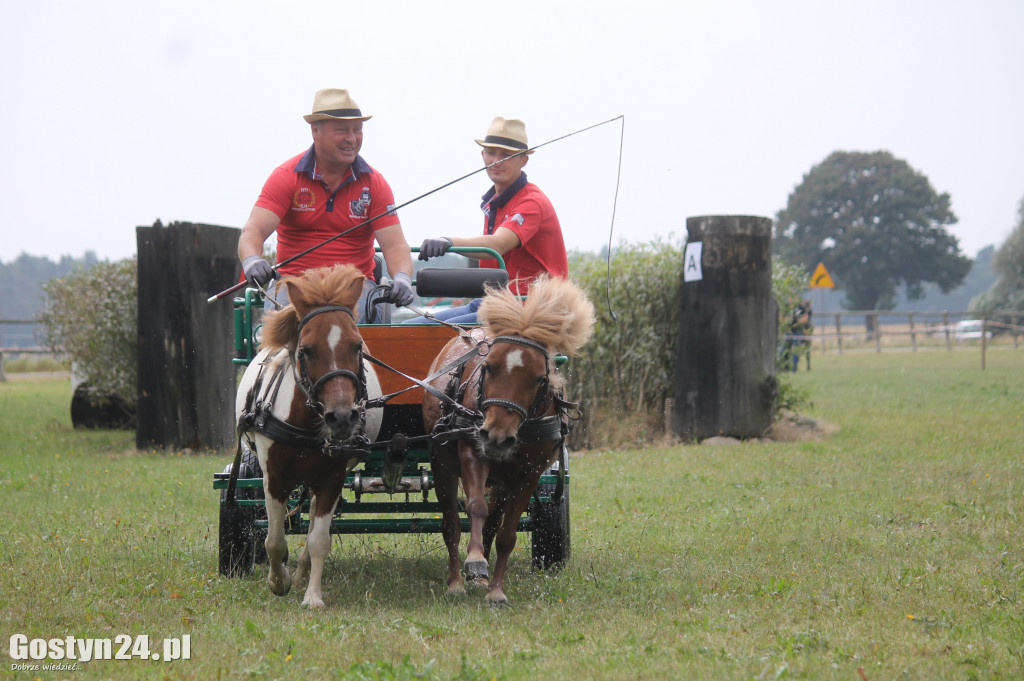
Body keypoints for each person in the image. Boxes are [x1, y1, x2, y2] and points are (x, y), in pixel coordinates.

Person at [238, 88, 415, 322]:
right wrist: (252, 260)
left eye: (358, 130)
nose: (352, 138)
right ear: (315, 131)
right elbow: (253, 231)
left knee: (359, 318)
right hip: (295, 284)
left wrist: (402, 277)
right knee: (275, 329)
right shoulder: (285, 177)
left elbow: (395, 246)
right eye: (341, 130)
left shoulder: (375, 184)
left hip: (354, 288)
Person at [410, 116, 568, 323]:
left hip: (526, 306)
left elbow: (498, 245)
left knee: (426, 334)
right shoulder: (495, 201)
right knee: (408, 329)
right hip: (494, 300)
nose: (496, 161)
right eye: (491, 153)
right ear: (482, 154)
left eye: (506, 155)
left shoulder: (532, 203)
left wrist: (449, 242)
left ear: (524, 160)